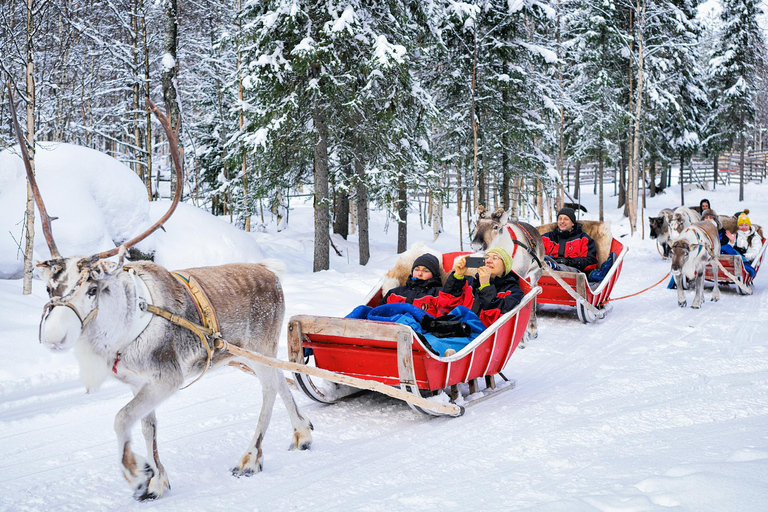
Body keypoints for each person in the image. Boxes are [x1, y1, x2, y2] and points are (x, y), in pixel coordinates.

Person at [437, 247, 524, 328]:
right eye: (486, 257)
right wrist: (458, 275)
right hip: (454, 327)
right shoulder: (470, 282)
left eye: (495, 258)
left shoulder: (513, 291)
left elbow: (497, 318)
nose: (488, 261)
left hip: (478, 335)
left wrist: (485, 286)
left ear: (505, 266)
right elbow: (445, 304)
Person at [541, 207, 598, 273]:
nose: (562, 221)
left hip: (573, 275)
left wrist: (568, 262)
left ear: (572, 223)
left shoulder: (583, 239)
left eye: (566, 219)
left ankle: (555, 267)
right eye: (560, 219)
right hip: (546, 274)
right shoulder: (546, 238)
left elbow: (591, 262)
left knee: (560, 268)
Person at [726, 213, 763, 278]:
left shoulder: (755, 237)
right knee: (725, 248)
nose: (744, 227)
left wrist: (743, 257)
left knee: (736, 257)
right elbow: (729, 250)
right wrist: (731, 242)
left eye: (746, 225)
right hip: (733, 260)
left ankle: (748, 268)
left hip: (746, 260)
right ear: (738, 226)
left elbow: (755, 253)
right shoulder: (736, 235)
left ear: (749, 226)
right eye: (741, 225)